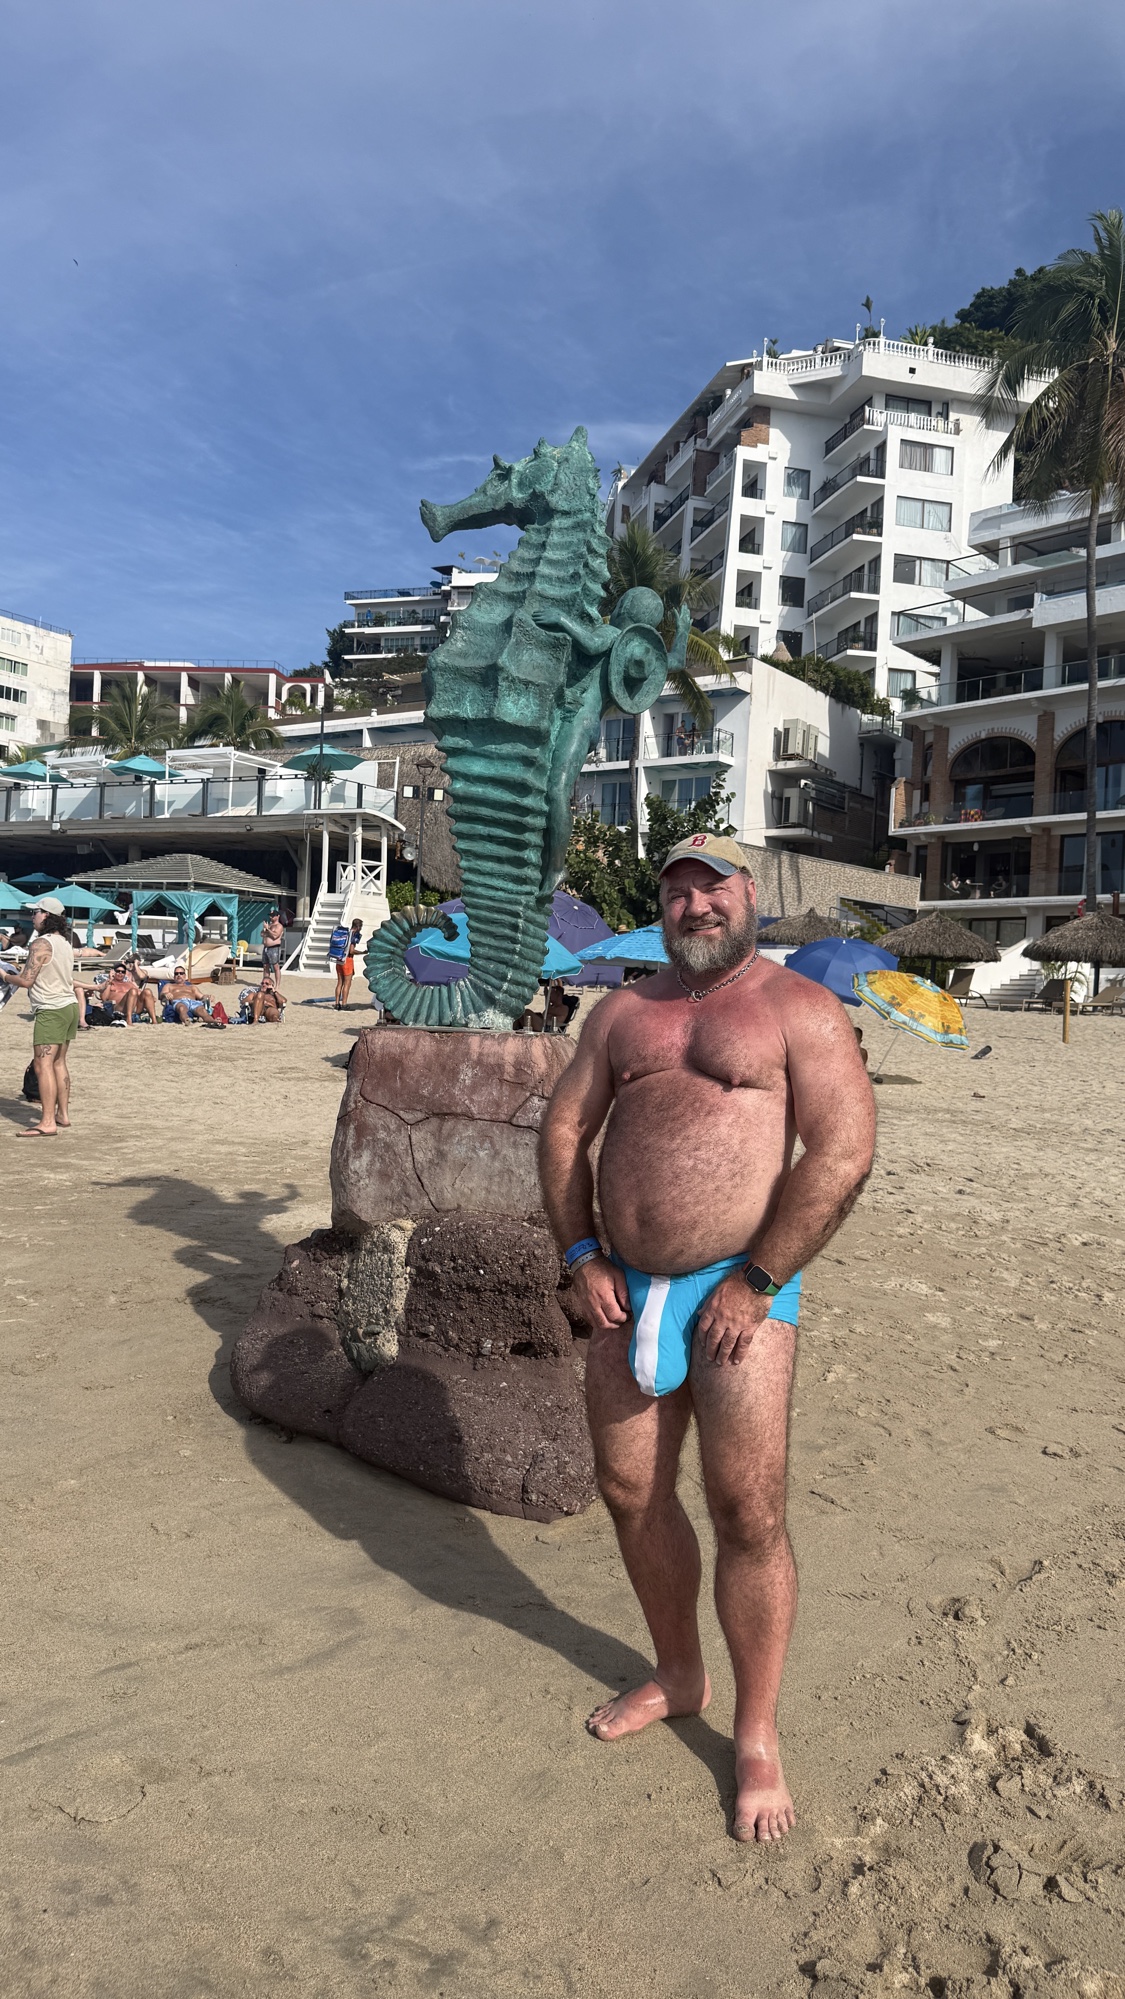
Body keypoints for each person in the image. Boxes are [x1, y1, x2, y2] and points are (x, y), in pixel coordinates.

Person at [538, 833, 875, 1845]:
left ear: (749, 893)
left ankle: (757, 1731)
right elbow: (564, 1132)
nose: (695, 905)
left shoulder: (796, 1007)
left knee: (747, 1511)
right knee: (631, 1492)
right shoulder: (621, 1013)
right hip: (621, 1286)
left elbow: (843, 1148)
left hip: (743, 1291)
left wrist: (758, 1278)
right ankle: (679, 1672)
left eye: (712, 886)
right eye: (677, 892)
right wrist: (580, 1252)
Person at [0, 896, 80, 1136]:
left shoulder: (41, 943)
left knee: (42, 1064)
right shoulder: (64, 942)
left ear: (46, 915)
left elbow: (26, 980)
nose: (32, 916)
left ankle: (47, 1122)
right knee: (59, 1063)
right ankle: (62, 1115)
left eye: (35, 912)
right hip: (69, 1006)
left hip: (51, 1008)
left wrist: (3, 975)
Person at [157, 965, 227, 1027]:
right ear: (174, 976)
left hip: (194, 1002)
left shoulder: (192, 987)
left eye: (181, 973)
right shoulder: (169, 985)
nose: (179, 975)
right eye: (176, 973)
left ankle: (213, 1021)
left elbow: (201, 996)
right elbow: (162, 995)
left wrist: (208, 997)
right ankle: (186, 1020)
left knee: (202, 1010)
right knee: (182, 1008)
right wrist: (166, 994)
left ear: (185, 976)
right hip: (179, 1001)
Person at [328, 917, 352, 1009]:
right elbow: (351, 950)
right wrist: (363, 952)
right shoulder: (352, 936)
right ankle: (344, 1004)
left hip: (339, 960)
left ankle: (337, 1004)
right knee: (347, 984)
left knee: (339, 983)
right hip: (347, 960)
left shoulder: (343, 933)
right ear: (358, 927)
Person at [261, 908, 286, 977]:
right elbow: (262, 934)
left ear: (278, 916)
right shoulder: (269, 925)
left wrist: (268, 930)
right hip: (266, 948)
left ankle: (277, 983)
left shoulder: (279, 926)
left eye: (273, 916)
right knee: (265, 966)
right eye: (270, 915)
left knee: (275, 966)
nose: (271, 917)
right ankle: (266, 981)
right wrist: (265, 929)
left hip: (274, 948)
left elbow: (275, 936)